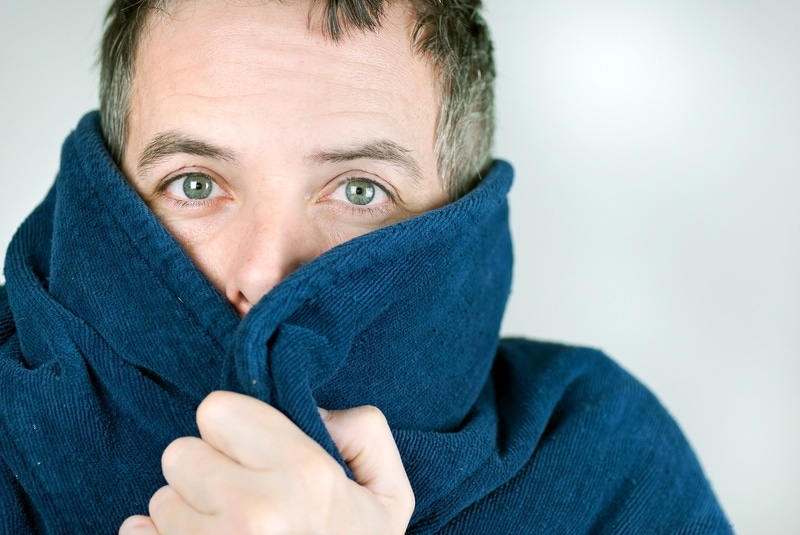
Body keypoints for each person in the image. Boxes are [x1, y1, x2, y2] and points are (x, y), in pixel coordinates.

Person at [0, 0, 732, 533]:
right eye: (196, 184)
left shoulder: (608, 466)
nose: (264, 275)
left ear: (460, 218)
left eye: (358, 191)